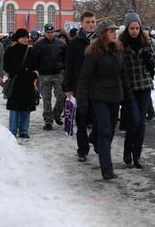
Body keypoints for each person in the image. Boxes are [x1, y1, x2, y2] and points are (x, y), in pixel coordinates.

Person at [76, 20, 131, 180]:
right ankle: (107, 169)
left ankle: (93, 138)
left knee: (109, 130)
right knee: (106, 131)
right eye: (110, 31)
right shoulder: (93, 53)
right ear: (102, 35)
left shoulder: (118, 50)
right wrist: (82, 102)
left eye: (115, 30)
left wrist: (128, 97)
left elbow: (124, 75)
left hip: (115, 96)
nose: (114, 33)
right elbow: (84, 79)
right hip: (99, 96)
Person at [119, 11, 155, 169]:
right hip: (130, 87)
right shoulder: (121, 44)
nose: (134, 30)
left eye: (137, 28)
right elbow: (119, 66)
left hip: (144, 85)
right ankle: (127, 150)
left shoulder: (146, 42)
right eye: (132, 28)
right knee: (134, 120)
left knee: (141, 123)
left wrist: (150, 58)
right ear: (127, 28)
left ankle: (136, 156)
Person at [64, 11, 97, 162]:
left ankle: (95, 140)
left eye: (93, 22)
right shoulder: (75, 42)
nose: (91, 24)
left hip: (98, 86)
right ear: (82, 24)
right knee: (81, 119)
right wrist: (68, 87)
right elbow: (69, 66)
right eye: (88, 22)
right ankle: (82, 149)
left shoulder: (99, 41)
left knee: (98, 117)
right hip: (80, 86)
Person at [3, 28, 38, 138]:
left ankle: (24, 130)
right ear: (18, 38)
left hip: (28, 83)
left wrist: (33, 75)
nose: (25, 39)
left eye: (27, 37)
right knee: (14, 108)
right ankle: (12, 130)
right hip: (16, 83)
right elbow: (6, 66)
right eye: (23, 37)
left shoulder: (31, 50)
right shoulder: (10, 50)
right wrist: (16, 69)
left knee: (26, 108)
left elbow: (36, 66)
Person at [33, 23, 67, 131]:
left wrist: (64, 70)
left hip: (58, 74)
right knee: (46, 99)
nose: (50, 34)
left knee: (61, 96)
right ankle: (48, 121)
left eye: (52, 32)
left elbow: (65, 59)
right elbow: (35, 60)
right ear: (44, 33)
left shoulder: (61, 44)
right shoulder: (38, 45)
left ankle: (56, 115)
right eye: (48, 33)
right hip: (44, 75)